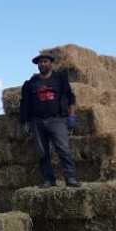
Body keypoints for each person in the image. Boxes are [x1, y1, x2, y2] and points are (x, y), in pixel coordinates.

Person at [19, 52, 80, 188]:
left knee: (64, 149)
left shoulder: (60, 79)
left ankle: (70, 178)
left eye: (45, 61)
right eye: (40, 62)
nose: (43, 64)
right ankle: (48, 179)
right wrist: (25, 121)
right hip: (37, 121)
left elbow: (70, 98)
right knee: (42, 153)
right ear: (37, 65)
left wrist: (71, 116)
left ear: (50, 63)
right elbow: (24, 103)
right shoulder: (31, 83)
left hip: (57, 120)